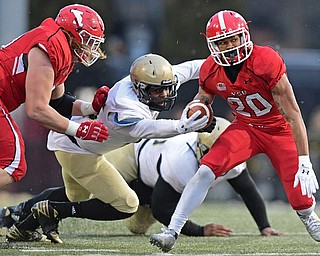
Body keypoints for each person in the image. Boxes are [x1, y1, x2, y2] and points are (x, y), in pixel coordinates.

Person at [150, 10, 320, 253]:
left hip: (278, 129)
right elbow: (204, 97)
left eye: (233, 39)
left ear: (244, 36)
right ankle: (171, 231)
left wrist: (304, 160)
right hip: (246, 128)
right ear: (212, 45)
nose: (229, 46)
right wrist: (196, 109)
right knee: (206, 170)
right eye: (222, 42)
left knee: (300, 200)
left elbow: (292, 113)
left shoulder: (266, 60)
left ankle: (309, 217)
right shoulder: (210, 68)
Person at [4, 53, 209, 243]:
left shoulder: (156, 77)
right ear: (139, 87)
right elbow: (148, 128)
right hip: (78, 150)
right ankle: (51, 211)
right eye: (156, 91)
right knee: (127, 204)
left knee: (74, 196)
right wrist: (182, 126)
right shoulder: (124, 106)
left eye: (167, 88)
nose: (164, 94)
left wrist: (222, 67)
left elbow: (194, 67)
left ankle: (17, 214)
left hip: (75, 144)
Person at [0, 117, 284, 241]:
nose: (222, 159)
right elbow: (163, 209)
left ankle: (41, 211)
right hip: (134, 159)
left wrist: (265, 226)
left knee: (136, 226)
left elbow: (247, 189)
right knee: (88, 193)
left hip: (154, 183)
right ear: (201, 147)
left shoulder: (231, 163)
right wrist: (200, 230)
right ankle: (20, 212)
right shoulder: (182, 163)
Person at [0, 4, 110, 189]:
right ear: (72, 33)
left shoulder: (58, 46)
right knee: (13, 165)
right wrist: (78, 129)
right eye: (87, 40)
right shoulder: (52, 47)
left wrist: (90, 108)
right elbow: (36, 109)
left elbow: (57, 102)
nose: (90, 48)